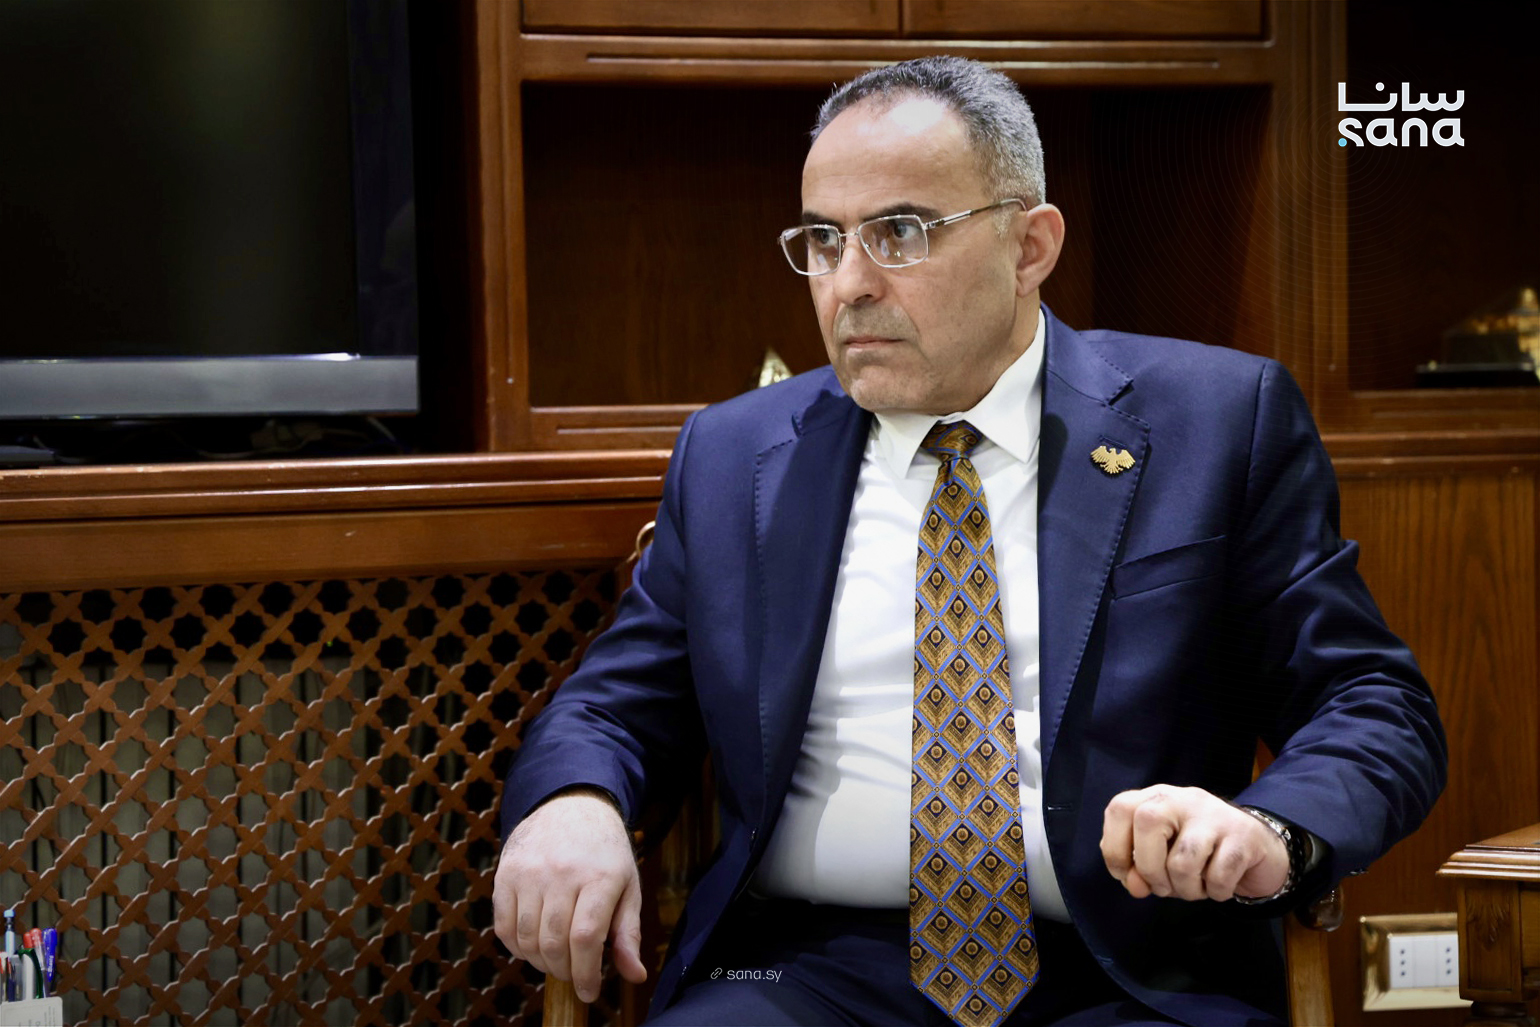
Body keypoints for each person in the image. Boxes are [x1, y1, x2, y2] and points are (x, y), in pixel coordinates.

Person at [495, 56, 1447, 1027]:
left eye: (899, 233)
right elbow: (616, 703)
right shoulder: (735, 454)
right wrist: (574, 800)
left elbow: (1373, 703)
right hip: (801, 974)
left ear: (1029, 246)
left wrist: (1268, 829)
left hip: (1132, 972)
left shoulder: (1215, 422)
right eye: (822, 240)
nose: (848, 284)